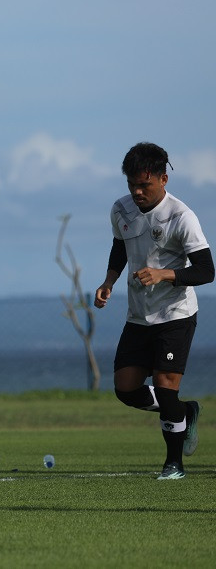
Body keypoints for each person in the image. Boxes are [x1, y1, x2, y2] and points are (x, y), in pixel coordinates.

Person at [95, 142, 213, 480]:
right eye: (132, 184)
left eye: (144, 184)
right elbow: (121, 245)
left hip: (175, 315)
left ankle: (173, 464)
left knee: (164, 386)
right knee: (125, 389)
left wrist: (165, 274)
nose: (136, 191)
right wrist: (109, 281)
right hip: (138, 315)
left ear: (163, 179)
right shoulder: (121, 210)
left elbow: (206, 270)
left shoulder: (182, 217)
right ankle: (185, 411)